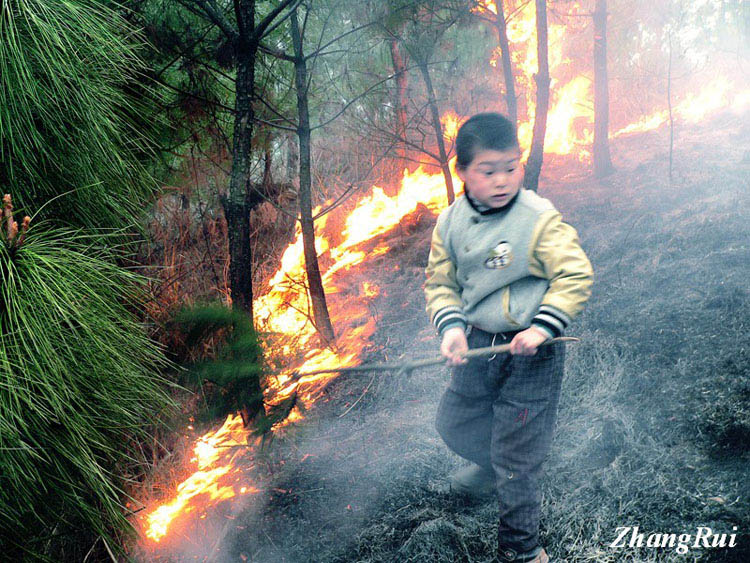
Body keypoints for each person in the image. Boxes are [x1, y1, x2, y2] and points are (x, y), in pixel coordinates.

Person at [424, 112, 594, 563]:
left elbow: (574, 273)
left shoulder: (537, 216)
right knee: (454, 423)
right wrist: (453, 331)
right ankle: (495, 463)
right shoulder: (451, 223)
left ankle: (522, 550)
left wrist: (542, 327)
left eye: (511, 166)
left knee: (517, 460)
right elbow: (441, 284)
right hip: (481, 344)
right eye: (488, 170)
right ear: (462, 172)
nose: (503, 180)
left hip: (532, 351)